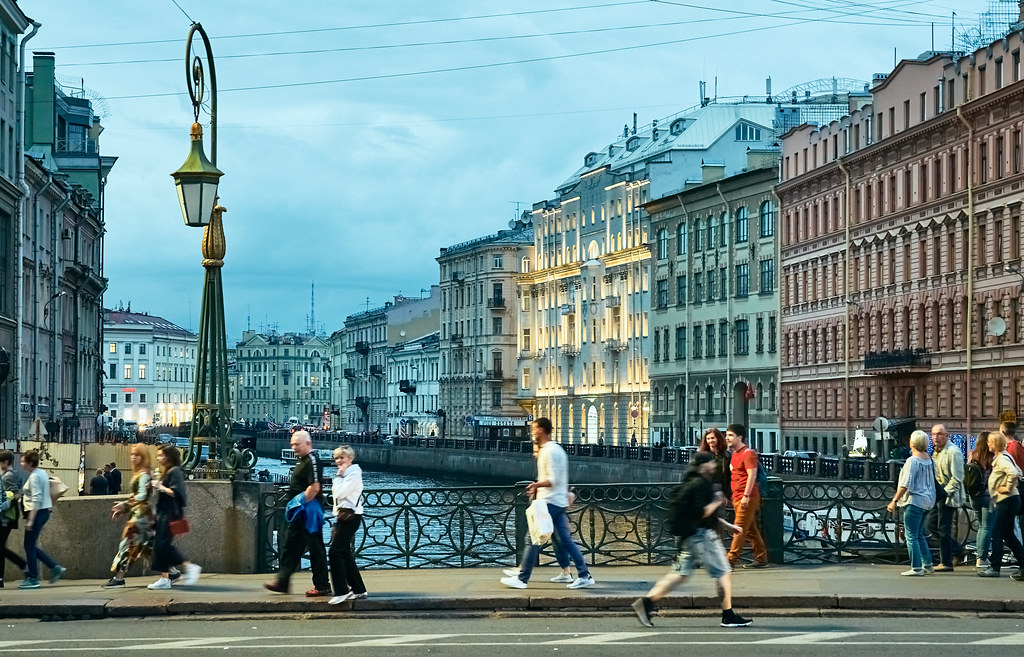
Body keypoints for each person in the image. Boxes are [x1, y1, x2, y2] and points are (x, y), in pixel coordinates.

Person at [631, 452, 752, 628]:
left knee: (679, 575)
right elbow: (702, 513)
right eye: (711, 463)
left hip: (689, 536)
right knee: (723, 571)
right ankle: (728, 615)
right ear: (704, 466)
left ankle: (646, 603)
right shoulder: (702, 485)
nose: (714, 465)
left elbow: (697, 515)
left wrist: (728, 526)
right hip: (702, 536)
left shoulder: (690, 482)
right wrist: (717, 501)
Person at [500, 417, 594, 590]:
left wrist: (537, 485)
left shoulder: (549, 451)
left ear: (542, 430)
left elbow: (553, 479)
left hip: (549, 502)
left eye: (534, 429)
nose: (532, 432)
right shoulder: (554, 449)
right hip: (556, 501)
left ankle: (522, 578)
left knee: (533, 537)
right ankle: (583, 574)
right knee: (564, 540)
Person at [264, 430, 331, 596]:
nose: (293, 447)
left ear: (307, 443)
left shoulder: (313, 460)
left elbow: (315, 487)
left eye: (297, 444)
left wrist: (298, 503)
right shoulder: (301, 461)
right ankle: (283, 582)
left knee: (316, 548)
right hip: (299, 513)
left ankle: (322, 585)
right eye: (292, 444)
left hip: (308, 512)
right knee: (290, 547)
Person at [148, 444, 201, 590]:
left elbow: (177, 493)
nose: (158, 458)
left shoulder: (175, 471)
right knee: (160, 546)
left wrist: (161, 487)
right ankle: (166, 578)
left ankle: (188, 566)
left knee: (162, 545)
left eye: (161, 455)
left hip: (170, 513)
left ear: (169, 457)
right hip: (164, 512)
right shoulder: (169, 471)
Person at [104, 444, 156, 588]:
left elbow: (142, 495)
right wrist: (124, 508)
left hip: (140, 517)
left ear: (143, 457)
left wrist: (125, 506)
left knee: (127, 544)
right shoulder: (142, 473)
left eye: (137, 455)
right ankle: (172, 572)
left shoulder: (144, 474)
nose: (133, 457)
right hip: (143, 515)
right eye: (132, 454)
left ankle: (119, 577)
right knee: (150, 548)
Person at [886, 430, 937, 576]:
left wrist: (894, 501)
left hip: (914, 501)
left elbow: (905, 484)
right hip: (928, 501)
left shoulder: (912, 461)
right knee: (919, 534)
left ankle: (916, 568)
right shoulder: (929, 459)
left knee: (911, 536)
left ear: (912, 443)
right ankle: (928, 564)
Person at [977, 431, 1024, 580]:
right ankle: (1023, 565)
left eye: (990, 442)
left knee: (996, 533)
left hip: (1007, 500)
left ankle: (994, 567)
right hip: (1010, 501)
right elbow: (1019, 471)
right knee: (1008, 535)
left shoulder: (1002, 459)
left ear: (995, 444)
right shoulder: (1004, 457)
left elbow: (1013, 473)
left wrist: (1007, 487)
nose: (988, 444)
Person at [19, 450, 66, 589]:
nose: (21, 464)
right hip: (44, 511)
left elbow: (36, 499)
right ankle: (54, 567)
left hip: (37, 513)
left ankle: (33, 578)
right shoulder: (42, 473)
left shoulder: (34, 477)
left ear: (30, 463)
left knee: (29, 546)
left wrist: (30, 520)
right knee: (31, 545)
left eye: (23, 461)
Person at [327, 445, 368, 604]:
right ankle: (358, 589)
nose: (338, 461)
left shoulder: (353, 473)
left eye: (341, 458)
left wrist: (338, 477)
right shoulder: (348, 473)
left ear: (350, 459)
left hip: (351, 516)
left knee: (334, 552)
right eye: (336, 458)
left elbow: (339, 493)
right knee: (344, 553)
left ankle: (341, 591)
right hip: (345, 515)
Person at [724, 424, 768, 568]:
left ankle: (729, 561)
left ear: (739, 437)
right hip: (738, 496)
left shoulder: (748, 453)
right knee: (751, 530)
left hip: (746, 497)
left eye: (730, 435)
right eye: (726, 435)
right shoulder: (735, 454)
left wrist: (746, 495)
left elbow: (752, 475)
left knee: (739, 528)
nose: (727, 438)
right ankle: (761, 558)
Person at [928, 424, 965, 571]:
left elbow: (957, 477)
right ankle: (957, 550)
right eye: (933, 434)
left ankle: (946, 562)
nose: (936, 437)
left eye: (939, 434)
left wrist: (944, 492)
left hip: (948, 496)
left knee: (943, 528)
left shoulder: (953, 452)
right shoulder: (936, 452)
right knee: (930, 525)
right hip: (937, 495)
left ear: (946, 435)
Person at [968, 432, 995, 570]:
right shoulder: (992, 457)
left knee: (980, 526)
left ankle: (979, 556)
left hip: (974, 496)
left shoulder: (972, 455)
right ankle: (982, 558)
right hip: (988, 497)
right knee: (986, 527)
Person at [0, 451, 26, 587]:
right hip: (10, 516)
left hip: (6, 517)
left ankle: (22, 564)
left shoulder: (7, 477)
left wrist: (5, 505)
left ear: (5, 462)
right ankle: (0, 579)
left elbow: (15, 495)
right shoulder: (15, 474)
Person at [699, 428, 731, 495]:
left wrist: (727, 494)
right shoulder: (703, 456)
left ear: (718, 438)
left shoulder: (727, 455)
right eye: (708, 439)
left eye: (712, 438)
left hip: (722, 488)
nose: (710, 441)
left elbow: (729, 476)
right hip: (707, 488)